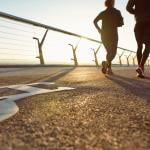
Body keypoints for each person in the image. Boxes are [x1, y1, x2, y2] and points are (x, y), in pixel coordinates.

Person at [94, 0, 124, 75]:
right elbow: (121, 23)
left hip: (104, 34)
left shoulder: (103, 13)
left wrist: (99, 30)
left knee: (109, 52)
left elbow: (94, 21)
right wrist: (115, 23)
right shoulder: (117, 12)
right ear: (113, 3)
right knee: (112, 52)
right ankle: (107, 66)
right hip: (113, 34)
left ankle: (109, 69)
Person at [126, 0, 150, 78]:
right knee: (148, 45)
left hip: (138, 23)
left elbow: (128, 8)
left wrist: (137, 12)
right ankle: (141, 66)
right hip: (148, 23)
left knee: (139, 46)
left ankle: (140, 70)